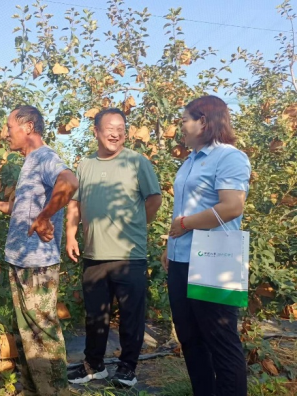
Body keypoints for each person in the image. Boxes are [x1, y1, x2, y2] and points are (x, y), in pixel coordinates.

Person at [0, 105, 78, 396]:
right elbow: (21, 208)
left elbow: (70, 181)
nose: (6, 133)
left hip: (37, 265)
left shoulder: (44, 157)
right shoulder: (29, 162)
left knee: (42, 334)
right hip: (22, 261)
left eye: (9, 127)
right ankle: (35, 390)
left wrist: (45, 217)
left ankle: (56, 392)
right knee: (28, 334)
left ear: (27, 128)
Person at [161, 95, 251, 396]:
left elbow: (232, 207)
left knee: (221, 342)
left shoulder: (229, 156)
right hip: (181, 259)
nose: (181, 126)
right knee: (189, 338)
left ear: (203, 121)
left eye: (185, 120)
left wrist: (185, 225)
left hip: (215, 258)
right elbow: (182, 209)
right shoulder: (189, 161)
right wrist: (170, 247)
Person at [66, 108, 162, 387]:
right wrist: (71, 236)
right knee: (95, 314)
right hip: (94, 254)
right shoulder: (84, 165)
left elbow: (153, 200)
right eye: (109, 127)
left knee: (132, 315)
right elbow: (75, 203)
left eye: (121, 128)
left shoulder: (136, 162)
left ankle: (127, 368)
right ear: (96, 131)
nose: (116, 133)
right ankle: (94, 365)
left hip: (129, 255)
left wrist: (136, 226)